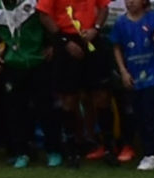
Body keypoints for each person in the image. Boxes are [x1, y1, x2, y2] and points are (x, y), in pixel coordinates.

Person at [0, 0, 62, 168]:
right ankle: (21, 153)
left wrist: (52, 44)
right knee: (16, 112)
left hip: (38, 62)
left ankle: (53, 151)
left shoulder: (33, 3)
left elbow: (49, 22)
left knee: (46, 108)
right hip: (13, 65)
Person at [38, 0, 116, 167]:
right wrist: (64, 41)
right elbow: (44, 14)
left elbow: (104, 8)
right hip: (66, 39)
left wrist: (96, 29)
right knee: (69, 98)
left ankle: (108, 148)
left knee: (102, 95)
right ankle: (72, 150)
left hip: (91, 38)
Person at [112, 0, 154, 170]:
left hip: (153, 76)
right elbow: (117, 47)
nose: (130, 2)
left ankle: (152, 154)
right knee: (139, 115)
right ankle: (146, 151)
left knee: (151, 114)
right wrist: (123, 71)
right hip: (133, 77)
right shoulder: (120, 23)